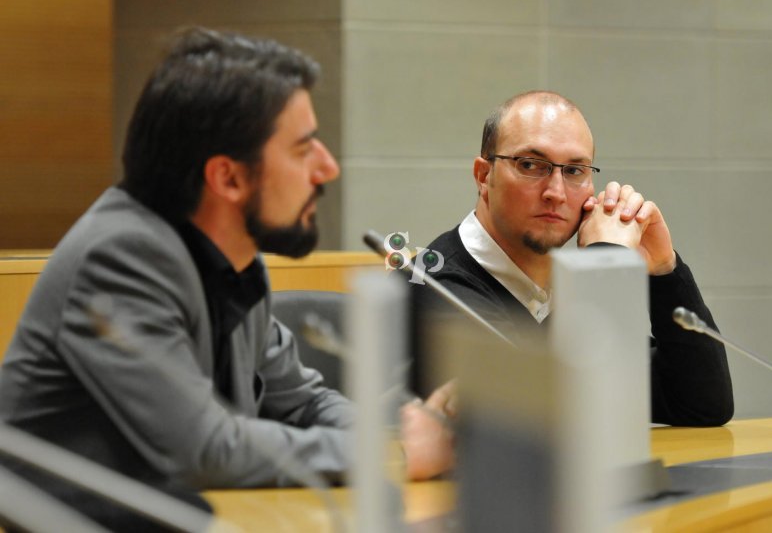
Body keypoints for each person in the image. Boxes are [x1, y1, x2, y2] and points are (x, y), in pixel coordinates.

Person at [0, 27, 453, 490]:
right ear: (228, 178)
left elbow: (303, 402)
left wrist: (401, 438)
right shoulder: (120, 257)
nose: (327, 168)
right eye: (303, 149)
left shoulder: (233, 261)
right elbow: (203, 451)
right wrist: (390, 458)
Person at [417, 91, 733, 426]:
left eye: (574, 170)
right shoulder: (429, 282)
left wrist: (663, 271)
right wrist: (604, 261)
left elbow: (701, 403)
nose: (555, 192)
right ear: (484, 176)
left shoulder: (561, 294)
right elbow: (521, 414)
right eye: (530, 165)